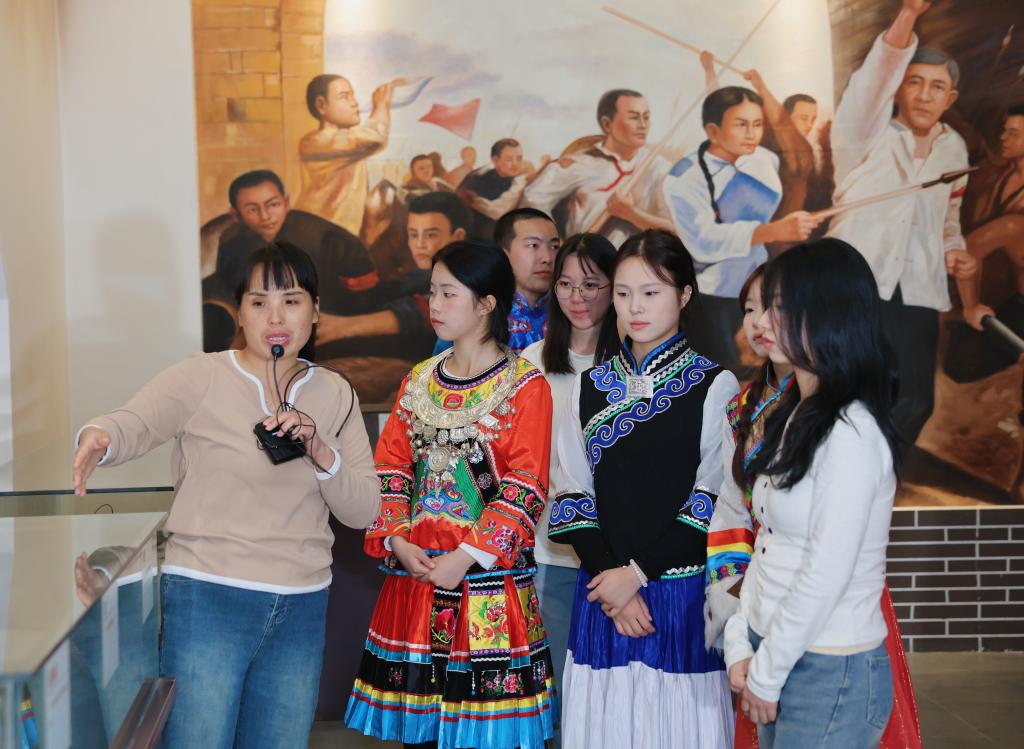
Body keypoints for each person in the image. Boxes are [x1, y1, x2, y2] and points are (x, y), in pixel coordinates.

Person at [73, 243, 381, 748]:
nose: (275, 317)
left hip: (302, 605)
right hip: (209, 596)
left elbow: (364, 508)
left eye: (291, 301)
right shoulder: (203, 375)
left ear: (316, 311)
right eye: (259, 302)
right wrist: (100, 435)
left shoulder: (335, 392)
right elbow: (136, 421)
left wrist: (320, 450)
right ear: (239, 312)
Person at [345, 240, 557, 749]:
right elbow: (391, 468)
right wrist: (397, 540)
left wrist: (463, 558)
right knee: (420, 736)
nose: (434, 305)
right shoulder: (418, 380)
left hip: (486, 584)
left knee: (488, 736)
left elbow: (527, 486)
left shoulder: (526, 386)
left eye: (448, 293)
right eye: (432, 292)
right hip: (417, 578)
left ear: (486, 303)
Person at [705, 264, 922, 749]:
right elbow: (766, 539)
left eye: (780, 307)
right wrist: (740, 635)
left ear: (828, 319)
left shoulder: (850, 430)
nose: (762, 321)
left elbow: (825, 569)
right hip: (772, 632)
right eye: (754, 308)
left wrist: (767, 670)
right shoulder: (785, 413)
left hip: (825, 648)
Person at [549, 229, 738, 748]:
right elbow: (572, 497)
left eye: (652, 292)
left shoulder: (715, 384)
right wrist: (612, 582)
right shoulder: (588, 387)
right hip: (602, 594)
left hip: (678, 595)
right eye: (624, 292)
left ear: (685, 294)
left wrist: (635, 575)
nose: (635, 307)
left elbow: (711, 501)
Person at [825, 0, 974, 447]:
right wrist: (908, 13)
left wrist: (954, 251)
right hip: (857, 288)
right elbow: (875, 76)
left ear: (950, 98)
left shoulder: (955, 149)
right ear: (898, 88)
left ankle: (881, 471)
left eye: (937, 87)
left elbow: (948, 221)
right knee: (849, 394)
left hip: (918, 292)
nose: (925, 95)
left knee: (915, 400)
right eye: (915, 82)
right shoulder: (863, 133)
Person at [520, 233, 619, 746]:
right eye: (565, 284)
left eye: (591, 284)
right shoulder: (532, 362)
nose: (576, 297)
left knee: (612, 700)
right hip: (551, 553)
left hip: (621, 560)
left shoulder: (632, 366)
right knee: (554, 699)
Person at [662, 84, 822, 370]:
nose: (751, 133)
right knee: (725, 374)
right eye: (741, 124)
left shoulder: (765, 160)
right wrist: (773, 231)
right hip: (716, 296)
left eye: (757, 124)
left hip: (759, 287)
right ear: (713, 131)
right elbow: (702, 240)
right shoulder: (684, 178)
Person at [522, 89, 673, 246]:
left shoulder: (660, 168)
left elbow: (676, 231)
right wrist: (557, 247)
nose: (643, 125)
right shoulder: (579, 163)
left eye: (646, 117)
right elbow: (531, 202)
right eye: (634, 117)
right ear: (607, 124)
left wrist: (631, 214)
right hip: (584, 258)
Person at [433, 207, 561, 355]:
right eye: (533, 245)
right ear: (504, 254)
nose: (547, 258)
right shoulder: (475, 310)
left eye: (554, 246)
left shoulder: (568, 310)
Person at [293, 74, 395, 236]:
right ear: (321, 105)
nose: (355, 103)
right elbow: (376, 137)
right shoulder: (316, 142)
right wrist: (381, 104)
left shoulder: (349, 145)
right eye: (344, 97)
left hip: (337, 236)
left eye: (352, 95)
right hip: (314, 234)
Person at [458, 138, 530, 238]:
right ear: (495, 160)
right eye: (509, 159)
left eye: (519, 158)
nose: (515, 164)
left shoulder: (517, 184)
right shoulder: (476, 179)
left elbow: (498, 212)